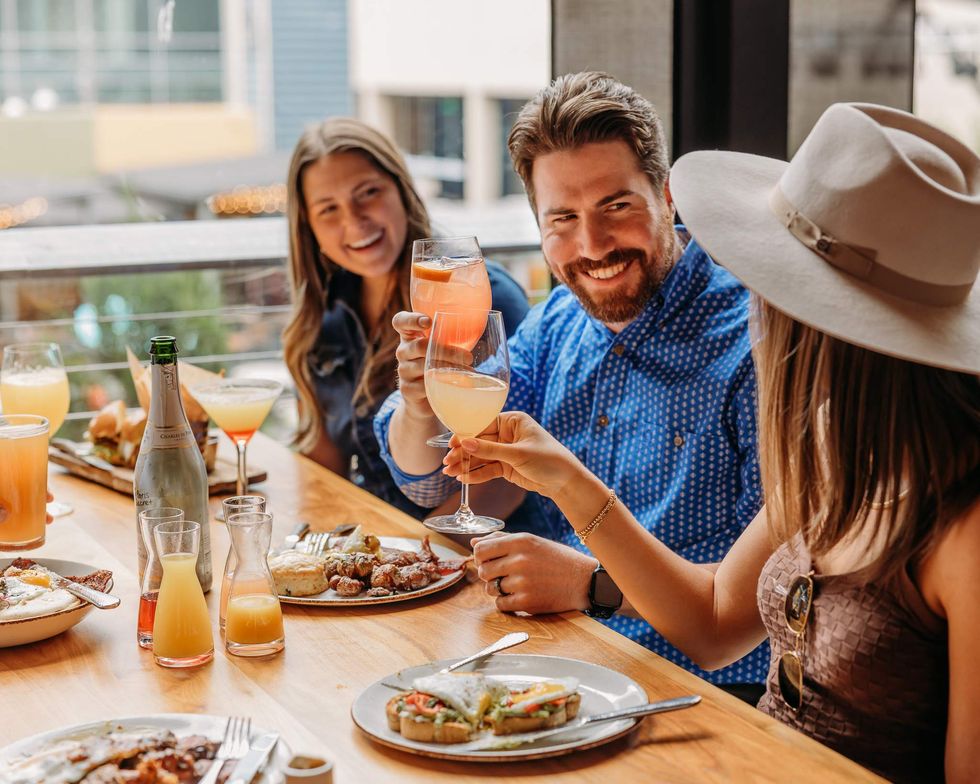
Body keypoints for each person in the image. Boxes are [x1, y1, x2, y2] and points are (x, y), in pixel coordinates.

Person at [442, 102, 980, 783]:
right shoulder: (831, 446)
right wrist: (567, 481)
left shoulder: (963, 525)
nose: (747, 291)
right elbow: (715, 623)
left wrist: (585, 570)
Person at [374, 73, 768, 690]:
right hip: (561, 662)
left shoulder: (757, 347)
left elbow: (765, 601)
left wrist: (591, 584)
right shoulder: (558, 319)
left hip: (710, 693)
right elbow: (434, 487)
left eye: (616, 206)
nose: (593, 245)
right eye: (563, 217)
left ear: (667, 196)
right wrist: (423, 403)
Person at [282, 118, 528, 517]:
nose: (354, 220)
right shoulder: (324, 322)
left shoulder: (482, 298)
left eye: (368, 193)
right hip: (378, 535)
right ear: (309, 227)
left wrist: (418, 550)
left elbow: (506, 481)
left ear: (402, 190)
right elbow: (323, 469)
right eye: (328, 209)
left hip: (470, 542)